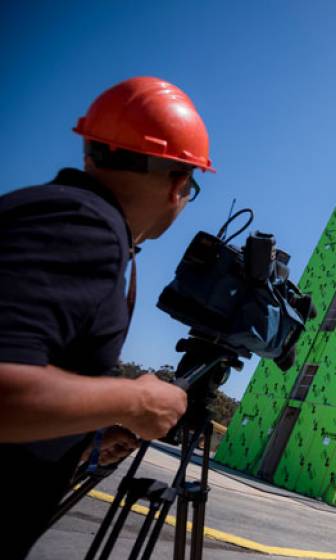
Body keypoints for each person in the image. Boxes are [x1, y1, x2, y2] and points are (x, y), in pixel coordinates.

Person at [0, 76, 214, 558]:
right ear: (180, 183)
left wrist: (80, 435)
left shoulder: (54, 211)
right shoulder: (82, 226)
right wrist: (132, 399)